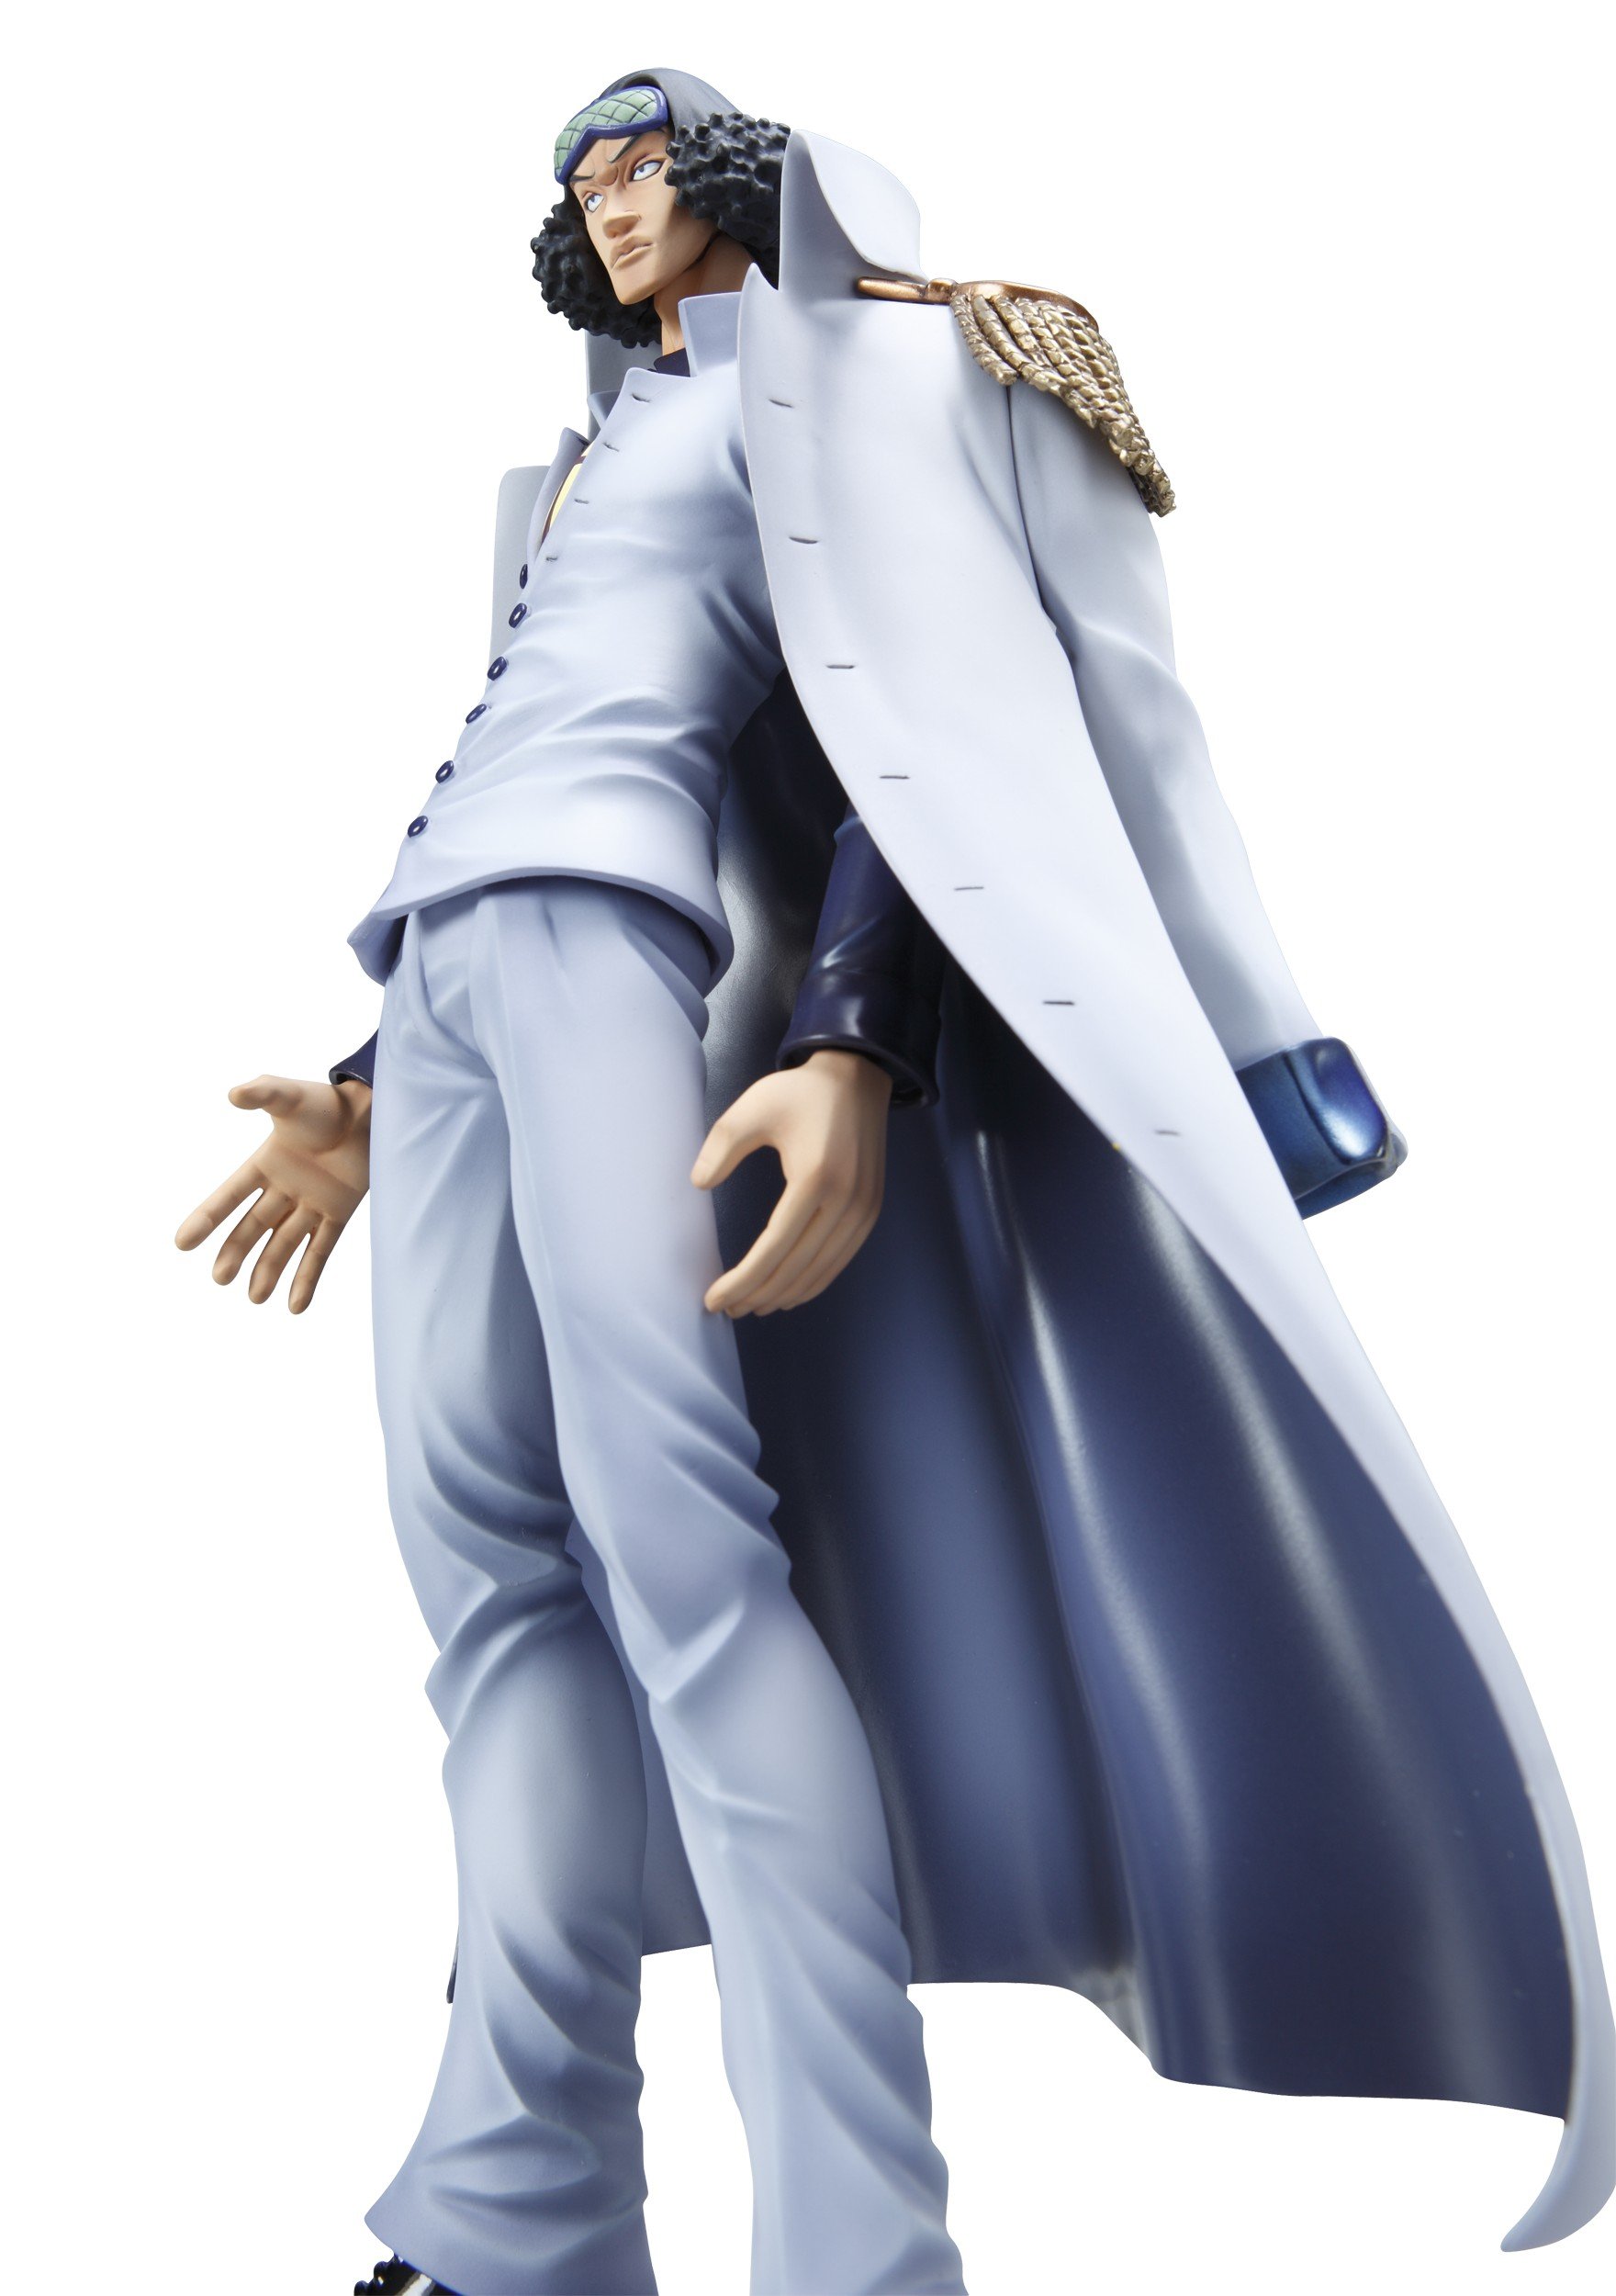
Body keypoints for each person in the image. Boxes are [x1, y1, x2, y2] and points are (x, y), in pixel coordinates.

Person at [176, 64, 1613, 2296]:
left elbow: (935, 726)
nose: (610, 198)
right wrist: (363, 1082)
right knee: (493, 1582)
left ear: (732, 170)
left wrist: (854, 1041)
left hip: (623, 957)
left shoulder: (908, 368)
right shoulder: (576, 462)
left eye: (641, 157)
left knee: (681, 1555)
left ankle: (861, 2250)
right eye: (581, 178)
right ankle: (522, 2215)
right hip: (448, 975)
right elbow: (525, 741)